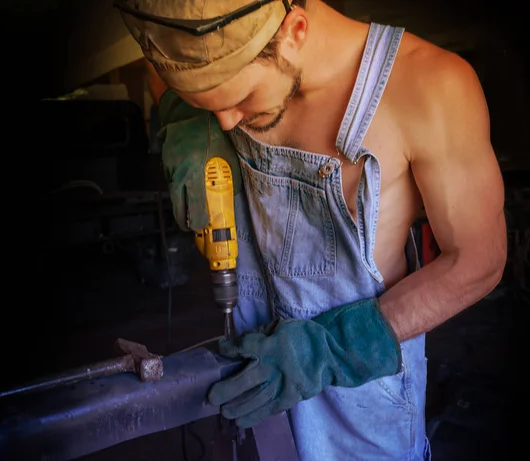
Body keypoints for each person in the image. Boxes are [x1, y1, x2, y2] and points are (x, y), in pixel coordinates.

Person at [116, 0, 507, 459]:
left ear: (294, 31)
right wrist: (184, 114)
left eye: (241, 99)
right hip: (257, 380)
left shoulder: (430, 86)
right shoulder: (228, 81)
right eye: (211, 104)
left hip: (359, 412)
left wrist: (326, 349)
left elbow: (479, 261)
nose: (227, 120)